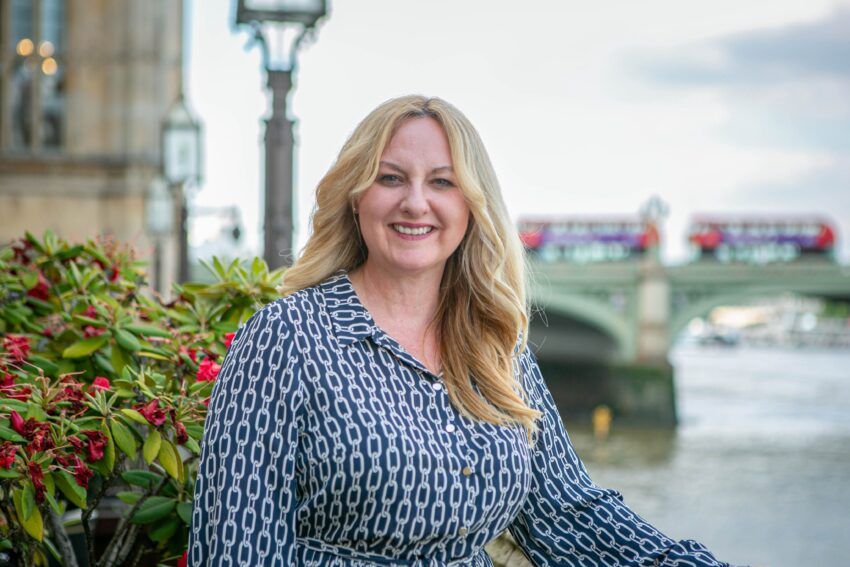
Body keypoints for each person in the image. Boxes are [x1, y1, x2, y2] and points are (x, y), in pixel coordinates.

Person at [189, 95, 735, 566]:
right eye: (391, 177)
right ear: (357, 198)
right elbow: (235, 548)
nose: (416, 202)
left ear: (471, 207)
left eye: (443, 182)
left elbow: (566, 512)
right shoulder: (285, 338)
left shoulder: (492, 343)